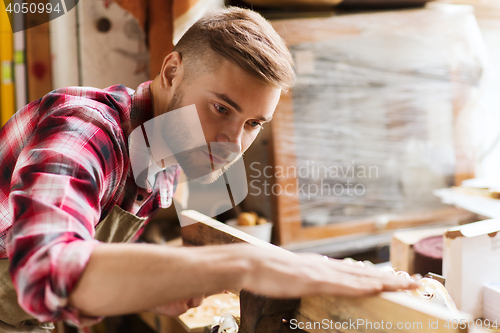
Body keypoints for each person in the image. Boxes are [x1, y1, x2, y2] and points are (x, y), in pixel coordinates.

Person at [0, 6, 416, 331]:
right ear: (171, 71)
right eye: (221, 108)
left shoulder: (170, 142)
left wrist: (149, 290)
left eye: (254, 123)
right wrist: (251, 264)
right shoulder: (87, 131)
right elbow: (45, 271)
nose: (233, 143)